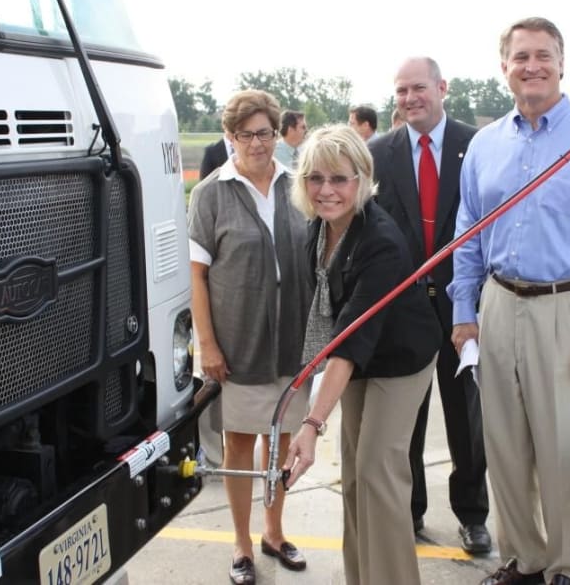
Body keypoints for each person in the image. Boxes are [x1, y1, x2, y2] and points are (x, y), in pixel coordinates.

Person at [449, 17, 570, 585]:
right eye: (520, 56)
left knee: (567, 451)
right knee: (504, 444)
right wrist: (465, 312)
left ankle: (567, 568)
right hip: (498, 304)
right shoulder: (485, 146)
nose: (531, 66)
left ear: (562, 64)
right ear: (504, 67)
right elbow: (467, 234)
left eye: (543, 55)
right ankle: (524, 560)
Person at [284, 125, 442, 585]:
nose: (326, 190)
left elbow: (349, 343)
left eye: (340, 179)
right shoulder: (318, 229)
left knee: (378, 472)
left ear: (362, 179)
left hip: (401, 358)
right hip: (359, 359)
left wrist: (312, 424)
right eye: (316, 178)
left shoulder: (381, 242)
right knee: (353, 477)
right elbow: (332, 327)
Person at [187, 90, 313, 585]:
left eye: (265, 133)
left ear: (277, 133)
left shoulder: (297, 185)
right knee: (240, 444)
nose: (257, 143)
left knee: (280, 443)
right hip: (236, 343)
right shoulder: (211, 193)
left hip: (291, 342)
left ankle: (274, 532)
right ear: (230, 137)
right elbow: (197, 277)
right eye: (246, 135)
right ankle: (241, 543)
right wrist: (208, 345)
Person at [370, 56, 492, 555]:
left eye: (418, 88)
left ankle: (472, 515)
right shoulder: (379, 152)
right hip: (405, 317)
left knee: (467, 424)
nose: (409, 99)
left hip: (464, 310)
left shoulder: (478, 146)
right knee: (408, 423)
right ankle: (411, 510)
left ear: (443, 88)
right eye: (400, 91)